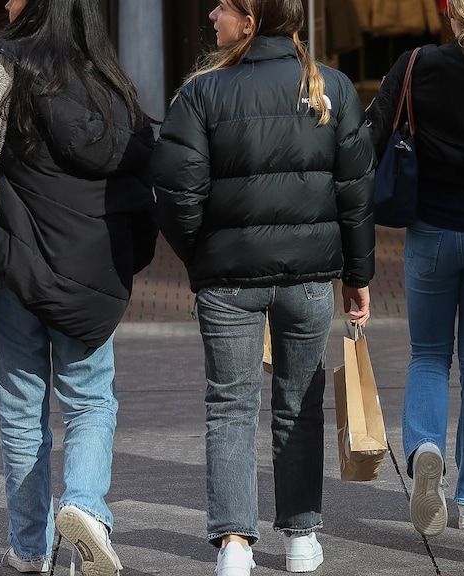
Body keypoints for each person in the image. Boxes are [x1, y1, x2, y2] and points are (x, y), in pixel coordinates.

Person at [0, 0, 157, 574]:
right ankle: (85, 505)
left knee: (22, 413)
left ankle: (30, 548)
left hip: (15, 271)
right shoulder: (113, 83)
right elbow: (142, 176)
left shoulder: (2, 69)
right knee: (91, 401)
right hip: (91, 279)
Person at [151, 0, 375, 574]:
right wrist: (358, 275)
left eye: (222, 7)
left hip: (228, 278)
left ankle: (233, 544)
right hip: (307, 277)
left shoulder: (201, 93)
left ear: (251, 22)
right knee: (299, 400)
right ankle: (300, 537)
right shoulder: (332, 88)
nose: (210, 18)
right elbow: (355, 191)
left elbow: (176, 193)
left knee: (230, 404)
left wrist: (203, 254)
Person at [365, 0, 464, 538]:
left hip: (429, 231)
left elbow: (368, 138)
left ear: (451, 12)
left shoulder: (415, 65)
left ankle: (425, 448)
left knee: (428, 355)